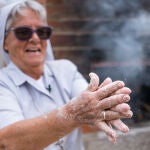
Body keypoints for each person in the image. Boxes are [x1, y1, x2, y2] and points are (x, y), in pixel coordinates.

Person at [0, 0, 132, 150]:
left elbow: (89, 100)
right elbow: (8, 142)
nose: (35, 38)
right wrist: (72, 114)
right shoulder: (2, 83)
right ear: (5, 41)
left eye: (42, 32)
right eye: (23, 32)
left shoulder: (65, 69)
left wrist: (106, 104)